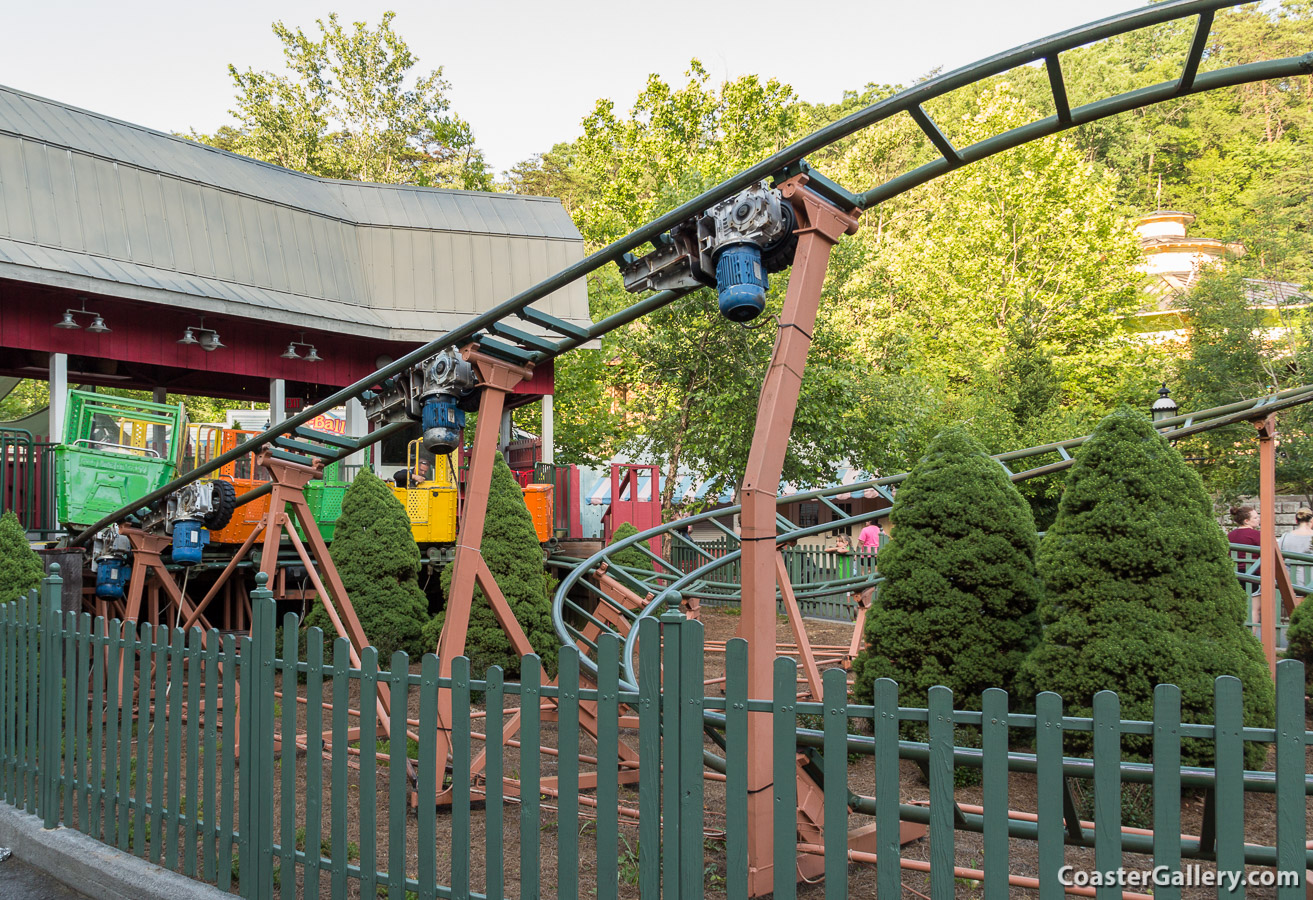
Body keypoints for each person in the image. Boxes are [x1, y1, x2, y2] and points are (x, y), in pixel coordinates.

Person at [1228, 505, 1261, 624]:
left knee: (1236, 607)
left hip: (1235, 574)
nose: (1258, 519)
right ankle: (1251, 636)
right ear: (1246, 520)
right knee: (1254, 609)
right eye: (1256, 517)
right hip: (1253, 574)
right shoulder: (1257, 535)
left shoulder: (1230, 535)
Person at [1279, 507, 1313, 590]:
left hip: (1291, 579)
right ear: (1311, 520)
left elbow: (1279, 555)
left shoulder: (1285, 536)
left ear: (1296, 520)